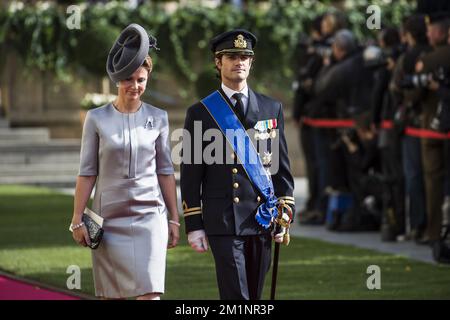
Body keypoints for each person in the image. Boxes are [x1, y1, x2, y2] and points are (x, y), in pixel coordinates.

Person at [180, 29, 295, 300]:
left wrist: (285, 213)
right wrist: (194, 224)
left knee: (254, 295)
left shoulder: (271, 108)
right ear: (218, 63)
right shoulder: (200, 113)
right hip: (223, 219)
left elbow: (280, 168)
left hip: (261, 217)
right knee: (236, 296)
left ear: (252, 62)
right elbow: (191, 174)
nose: (239, 61)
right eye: (231, 56)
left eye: (245, 56)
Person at [70, 23, 179, 300]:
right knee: (112, 295)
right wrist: (76, 219)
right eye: (129, 79)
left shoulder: (160, 117)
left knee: (151, 292)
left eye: (141, 79)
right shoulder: (96, 118)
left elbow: (165, 171)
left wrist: (174, 219)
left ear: (148, 79)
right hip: (108, 219)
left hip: (150, 216)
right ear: (118, 79)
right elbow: (87, 172)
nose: (135, 86)